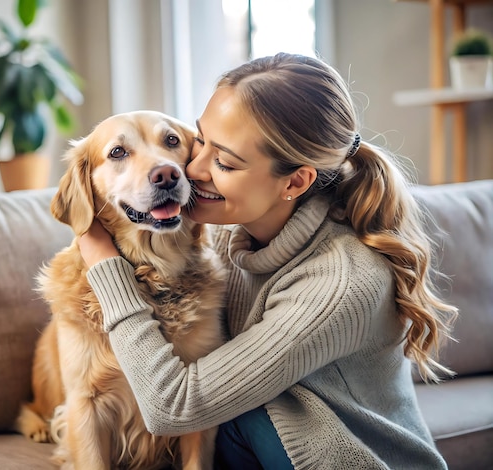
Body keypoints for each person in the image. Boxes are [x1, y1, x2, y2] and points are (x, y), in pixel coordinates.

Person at [77, 52, 457, 469]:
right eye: (199, 141)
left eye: (224, 161)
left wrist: (103, 264)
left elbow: (174, 407)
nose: (191, 169)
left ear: (295, 181)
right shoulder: (225, 234)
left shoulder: (340, 282)